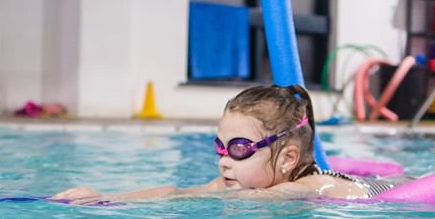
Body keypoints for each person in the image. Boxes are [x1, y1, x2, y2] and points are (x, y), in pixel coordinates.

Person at [52, 85, 398, 203]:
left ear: (288, 157)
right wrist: (105, 198)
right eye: (220, 147)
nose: (224, 161)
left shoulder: (311, 186)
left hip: (385, 191)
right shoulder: (236, 179)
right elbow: (177, 193)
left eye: (240, 148)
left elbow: (260, 199)